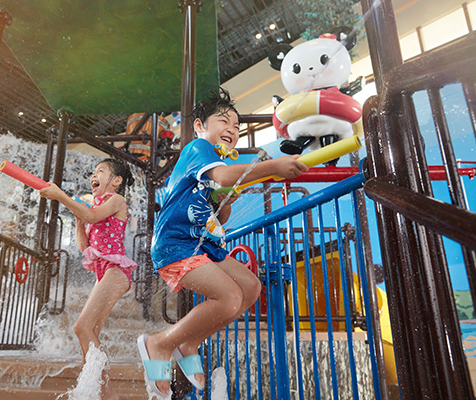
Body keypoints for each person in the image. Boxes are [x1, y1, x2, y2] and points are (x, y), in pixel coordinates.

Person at [137, 88, 309, 398]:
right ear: (200, 126)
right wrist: (273, 167)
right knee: (229, 297)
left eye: (237, 127)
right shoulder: (198, 147)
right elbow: (226, 176)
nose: (232, 129)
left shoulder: (214, 163)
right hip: (176, 244)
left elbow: (222, 215)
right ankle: (161, 342)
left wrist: (225, 199)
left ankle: (190, 341)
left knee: (251, 288)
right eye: (224, 121)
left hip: (203, 245)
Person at [39, 158, 136, 400]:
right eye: (93, 172)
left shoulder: (116, 200)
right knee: (90, 331)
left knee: (81, 327)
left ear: (116, 181)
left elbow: (93, 216)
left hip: (116, 270)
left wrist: (61, 196)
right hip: (104, 271)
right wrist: (77, 219)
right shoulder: (95, 205)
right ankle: (95, 390)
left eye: (100, 171)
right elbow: (84, 245)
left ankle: (106, 393)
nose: (94, 175)